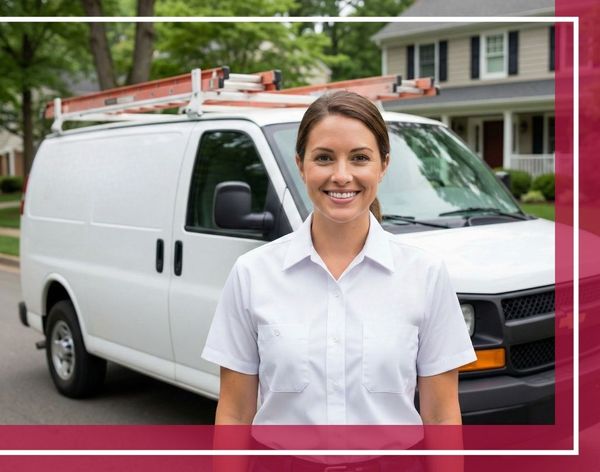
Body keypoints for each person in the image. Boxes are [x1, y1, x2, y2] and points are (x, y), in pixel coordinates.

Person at [201, 90, 477, 471]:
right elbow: (233, 413)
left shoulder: (425, 275)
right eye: (324, 158)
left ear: (383, 165)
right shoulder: (252, 274)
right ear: (301, 165)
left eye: (360, 158)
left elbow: (443, 416)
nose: (341, 175)